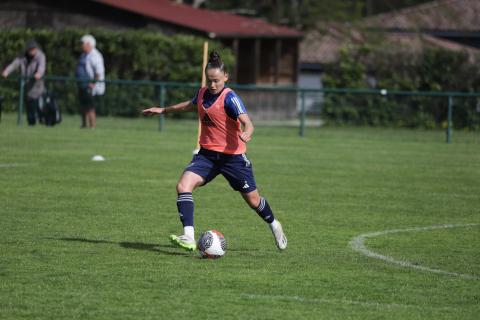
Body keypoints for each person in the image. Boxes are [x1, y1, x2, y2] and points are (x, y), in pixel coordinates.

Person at [143, 51, 287, 251]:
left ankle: (274, 224)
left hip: (233, 159)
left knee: (253, 201)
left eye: (217, 81)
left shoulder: (230, 98)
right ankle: (188, 237)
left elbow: (248, 122)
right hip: (207, 156)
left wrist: (247, 133)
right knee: (183, 186)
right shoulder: (202, 93)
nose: (212, 85)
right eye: (209, 80)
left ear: (226, 77)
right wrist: (164, 110)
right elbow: (190, 105)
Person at [2, 40, 46, 125]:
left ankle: (41, 122)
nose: (32, 51)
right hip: (26, 86)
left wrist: (39, 73)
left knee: (38, 106)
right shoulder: (22, 57)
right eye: (30, 49)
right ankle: (32, 124)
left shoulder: (41, 56)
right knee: (29, 108)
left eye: (34, 49)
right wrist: (6, 71)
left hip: (37, 87)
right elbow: (14, 64)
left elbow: (42, 67)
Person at [76, 34, 105, 129]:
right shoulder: (84, 55)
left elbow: (98, 72)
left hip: (90, 86)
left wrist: (93, 83)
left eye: (83, 44)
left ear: (89, 44)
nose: (82, 46)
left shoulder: (95, 56)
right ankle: (84, 125)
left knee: (90, 106)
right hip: (83, 84)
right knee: (84, 105)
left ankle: (92, 126)